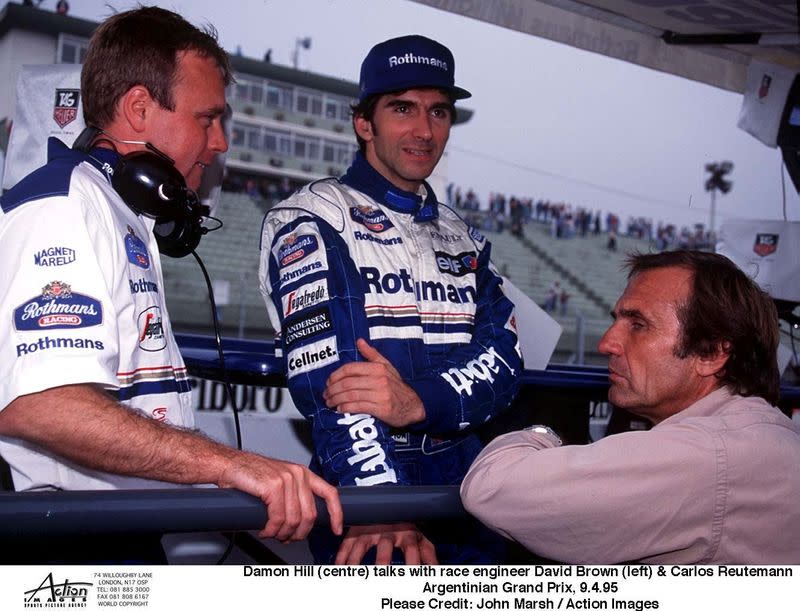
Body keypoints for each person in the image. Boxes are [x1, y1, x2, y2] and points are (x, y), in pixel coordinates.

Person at [0, 7, 341, 564]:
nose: (221, 142)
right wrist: (230, 464)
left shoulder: (117, 212)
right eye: (207, 119)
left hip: (126, 529)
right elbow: (43, 405)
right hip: (68, 548)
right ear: (138, 109)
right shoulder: (63, 209)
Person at [259, 34, 521, 564]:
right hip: (365, 480)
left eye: (439, 111)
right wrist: (378, 501)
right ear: (364, 123)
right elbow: (332, 381)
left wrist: (418, 401)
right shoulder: (312, 219)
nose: (424, 131)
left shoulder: (463, 236)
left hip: (466, 480)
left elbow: (505, 359)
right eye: (402, 108)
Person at [461, 250, 800, 564]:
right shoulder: (759, 434)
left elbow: (490, 486)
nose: (606, 343)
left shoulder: (705, 453)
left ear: (712, 353)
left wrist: (542, 433)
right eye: (617, 320)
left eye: (638, 325)